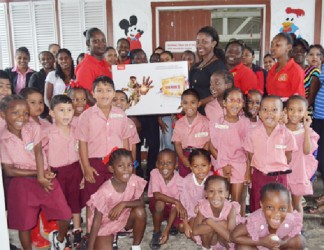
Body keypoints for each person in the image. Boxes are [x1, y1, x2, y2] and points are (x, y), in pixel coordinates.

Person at [0, 95, 71, 250]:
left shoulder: (33, 128)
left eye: (25, 113)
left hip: (44, 175)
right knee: (24, 225)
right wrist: (37, 175)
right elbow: (9, 170)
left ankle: (58, 240)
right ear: (3, 114)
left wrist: (41, 174)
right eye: (15, 113)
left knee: (65, 215)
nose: (21, 117)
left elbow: (38, 151)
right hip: (21, 183)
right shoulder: (2, 139)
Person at [76, 76, 130, 246]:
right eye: (99, 90)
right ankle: (90, 232)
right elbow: (82, 143)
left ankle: (111, 232)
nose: (104, 94)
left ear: (114, 93)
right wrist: (86, 167)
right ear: (93, 93)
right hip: (95, 163)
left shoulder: (120, 115)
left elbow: (126, 140)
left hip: (116, 164)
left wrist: (127, 167)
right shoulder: (86, 116)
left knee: (115, 197)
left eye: (108, 90)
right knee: (93, 198)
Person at [243, 96, 297, 212]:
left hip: (279, 177)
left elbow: (288, 157)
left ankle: (278, 229)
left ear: (282, 113)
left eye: (274, 110)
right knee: (258, 204)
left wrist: (277, 166)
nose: (269, 114)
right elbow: (250, 155)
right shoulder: (253, 134)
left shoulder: (287, 134)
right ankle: (259, 229)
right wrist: (249, 173)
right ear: (259, 113)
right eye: (265, 110)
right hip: (259, 175)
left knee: (279, 205)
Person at [87, 148, 147, 250]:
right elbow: (97, 222)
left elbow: (141, 202)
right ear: (111, 169)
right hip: (106, 223)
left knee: (140, 212)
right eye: (120, 166)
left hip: (125, 217)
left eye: (129, 165)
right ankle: (112, 238)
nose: (126, 169)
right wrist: (90, 247)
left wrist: (123, 204)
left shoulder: (134, 180)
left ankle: (136, 246)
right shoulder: (105, 191)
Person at [45, 95, 83, 248]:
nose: (66, 114)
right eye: (61, 110)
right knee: (62, 204)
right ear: (52, 113)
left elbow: (81, 152)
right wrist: (46, 172)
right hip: (56, 173)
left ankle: (77, 229)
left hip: (74, 169)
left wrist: (83, 173)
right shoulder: (48, 133)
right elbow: (42, 154)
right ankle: (62, 232)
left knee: (76, 200)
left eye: (69, 110)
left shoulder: (76, 131)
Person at [209, 87, 249, 214]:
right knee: (220, 199)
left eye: (238, 101)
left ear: (243, 104)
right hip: (220, 163)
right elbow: (211, 146)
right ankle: (221, 224)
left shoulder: (245, 124)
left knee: (236, 201)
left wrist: (248, 171)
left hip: (239, 165)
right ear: (224, 103)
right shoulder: (216, 123)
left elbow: (248, 151)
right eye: (231, 100)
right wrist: (224, 164)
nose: (235, 104)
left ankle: (235, 226)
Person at [231, 183, 304, 250]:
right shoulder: (255, 220)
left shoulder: (290, 219)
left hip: (279, 247)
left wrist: (283, 242)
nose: (276, 214)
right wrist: (262, 242)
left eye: (282, 208)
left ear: (288, 207)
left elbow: (299, 239)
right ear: (262, 205)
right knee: (242, 248)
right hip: (259, 247)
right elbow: (235, 236)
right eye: (270, 207)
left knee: (299, 240)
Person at [285, 95, 319, 216]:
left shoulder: (308, 131)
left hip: (298, 172)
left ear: (306, 113)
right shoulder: (281, 129)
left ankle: (298, 228)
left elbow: (306, 151)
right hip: (283, 172)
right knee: (286, 203)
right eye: (291, 109)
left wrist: (306, 129)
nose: (295, 113)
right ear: (285, 111)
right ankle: (287, 229)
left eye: (300, 110)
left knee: (296, 204)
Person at [130, 49, 160, 180]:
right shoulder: (128, 76)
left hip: (151, 116)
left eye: (144, 58)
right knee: (136, 146)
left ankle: (151, 171)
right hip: (135, 118)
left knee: (154, 144)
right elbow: (128, 99)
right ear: (132, 60)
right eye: (138, 58)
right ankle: (137, 172)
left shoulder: (152, 74)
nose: (141, 60)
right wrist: (133, 118)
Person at [148, 149, 186, 249]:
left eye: (169, 163)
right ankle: (156, 232)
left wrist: (166, 230)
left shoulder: (179, 181)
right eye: (161, 163)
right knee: (160, 202)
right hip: (158, 207)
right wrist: (176, 201)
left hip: (171, 209)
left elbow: (175, 208)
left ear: (176, 165)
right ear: (156, 164)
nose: (165, 166)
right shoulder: (154, 173)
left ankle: (171, 224)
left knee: (181, 226)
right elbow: (157, 195)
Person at [192, 175, 242, 250]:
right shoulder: (203, 207)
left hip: (225, 241)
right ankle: (206, 248)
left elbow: (231, 237)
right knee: (206, 230)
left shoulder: (231, 209)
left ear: (227, 194)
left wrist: (210, 222)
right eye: (211, 191)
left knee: (205, 225)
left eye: (220, 191)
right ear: (205, 193)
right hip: (211, 241)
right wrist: (221, 224)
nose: (216, 196)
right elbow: (195, 231)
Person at [172, 89, 210, 177]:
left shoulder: (205, 122)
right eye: (185, 103)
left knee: (201, 183)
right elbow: (177, 143)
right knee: (185, 182)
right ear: (181, 104)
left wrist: (202, 157)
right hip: (185, 156)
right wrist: (182, 157)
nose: (189, 106)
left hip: (201, 156)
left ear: (198, 104)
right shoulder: (179, 123)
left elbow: (209, 142)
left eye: (192, 102)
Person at [189, 26, 226, 115]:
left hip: (211, 113)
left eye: (204, 42)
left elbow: (220, 92)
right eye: (197, 42)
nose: (200, 45)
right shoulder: (195, 66)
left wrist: (200, 102)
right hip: (195, 113)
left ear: (213, 43)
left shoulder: (218, 66)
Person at [179, 149, 213, 241]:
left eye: (203, 165)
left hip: (209, 215)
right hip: (192, 215)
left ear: (210, 166)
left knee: (209, 232)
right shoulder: (186, 182)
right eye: (195, 166)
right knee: (193, 233)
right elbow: (183, 206)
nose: (200, 170)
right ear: (190, 167)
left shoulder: (213, 180)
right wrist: (186, 224)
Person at [266, 33, 305, 99]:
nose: (272, 48)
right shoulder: (272, 70)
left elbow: (299, 99)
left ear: (288, 47)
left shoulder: (296, 70)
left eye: (277, 45)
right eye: (272, 45)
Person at [75, 28, 112, 96]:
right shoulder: (85, 67)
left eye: (103, 40)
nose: (101, 44)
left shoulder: (106, 64)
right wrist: (104, 106)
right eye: (96, 41)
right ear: (88, 43)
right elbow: (86, 96)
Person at [291, 38, 320, 108]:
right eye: (296, 50)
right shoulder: (289, 71)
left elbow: (311, 98)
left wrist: (298, 111)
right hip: (289, 110)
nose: (299, 53)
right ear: (291, 52)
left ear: (306, 53)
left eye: (302, 50)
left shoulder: (313, 71)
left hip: (305, 111)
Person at [112, 90, 140, 162]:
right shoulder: (107, 123)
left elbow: (133, 146)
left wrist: (133, 163)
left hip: (127, 161)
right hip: (112, 160)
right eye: (114, 100)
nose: (118, 102)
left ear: (128, 105)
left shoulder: (131, 124)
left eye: (122, 100)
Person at [158, 50, 175, 151]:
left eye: (167, 59)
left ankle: (179, 166)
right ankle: (171, 166)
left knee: (179, 142)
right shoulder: (157, 77)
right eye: (162, 60)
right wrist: (159, 118)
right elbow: (156, 99)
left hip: (179, 115)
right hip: (165, 115)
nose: (164, 62)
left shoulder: (181, 74)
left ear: (173, 60)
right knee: (168, 142)